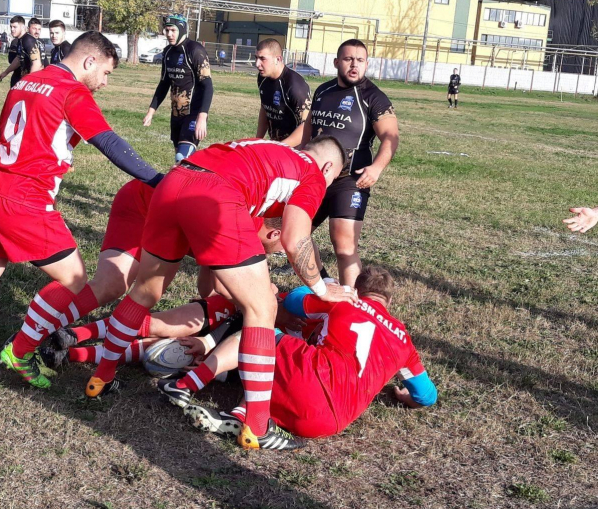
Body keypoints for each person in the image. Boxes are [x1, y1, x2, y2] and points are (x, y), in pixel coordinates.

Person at [83, 136, 357, 451]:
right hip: (216, 195)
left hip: (177, 179)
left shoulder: (270, 149)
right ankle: (256, 427)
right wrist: (322, 287)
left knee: (145, 291)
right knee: (263, 308)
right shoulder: (312, 172)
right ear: (327, 167)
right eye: (332, 178)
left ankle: (99, 379)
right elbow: (296, 239)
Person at [0, 32, 163, 383]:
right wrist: (157, 180)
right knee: (74, 279)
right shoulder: (71, 90)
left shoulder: (27, 81)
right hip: (24, 199)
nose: (104, 83)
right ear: (89, 61)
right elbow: (106, 140)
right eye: (105, 73)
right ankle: (18, 351)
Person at [35, 176, 286, 368]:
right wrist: (261, 304)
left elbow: (209, 287)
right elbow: (222, 288)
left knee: (113, 285)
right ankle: (35, 335)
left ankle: (57, 340)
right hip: (144, 204)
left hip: (149, 199)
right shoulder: (244, 228)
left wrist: (224, 311)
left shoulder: (247, 218)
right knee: (112, 284)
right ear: (275, 233)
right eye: (280, 247)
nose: (276, 253)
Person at [179, 267, 438, 443]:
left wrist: (326, 289)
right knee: (280, 371)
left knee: (260, 336)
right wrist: (408, 398)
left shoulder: (343, 301)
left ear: (356, 291)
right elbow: (427, 395)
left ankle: (186, 384)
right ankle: (240, 415)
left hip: (310, 380)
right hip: (328, 424)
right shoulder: (404, 340)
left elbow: (294, 300)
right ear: (389, 302)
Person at [300, 39, 399, 288]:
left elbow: (390, 136)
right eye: (348, 59)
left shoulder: (374, 98)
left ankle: (351, 304)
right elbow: (307, 131)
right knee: (291, 232)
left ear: (366, 64)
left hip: (350, 180)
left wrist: (376, 168)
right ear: (336, 62)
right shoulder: (323, 91)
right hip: (315, 177)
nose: (354, 65)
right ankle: (323, 280)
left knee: (344, 247)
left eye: (360, 60)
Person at [143, 14, 214, 163]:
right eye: (166, 30)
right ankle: (194, 183)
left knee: (181, 158)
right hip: (176, 115)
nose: (169, 34)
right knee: (182, 161)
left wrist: (202, 117)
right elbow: (163, 84)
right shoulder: (167, 52)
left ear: (182, 30)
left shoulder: (195, 50)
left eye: (173, 30)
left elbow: (207, 85)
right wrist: (151, 112)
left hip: (193, 113)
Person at [255, 39, 311, 146]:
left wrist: (280, 147)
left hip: (295, 149)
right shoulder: (263, 78)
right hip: (277, 145)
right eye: (256, 58)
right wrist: (257, 140)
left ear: (278, 59)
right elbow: (265, 108)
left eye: (262, 59)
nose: (257, 64)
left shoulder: (295, 86)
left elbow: (306, 125)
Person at [0, 16, 43, 87]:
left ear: (22, 27)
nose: (12, 29)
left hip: (35, 82)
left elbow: (37, 64)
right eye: (11, 27)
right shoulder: (20, 40)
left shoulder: (28, 40)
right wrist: (6, 72)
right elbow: (18, 59)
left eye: (15, 27)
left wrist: (28, 82)